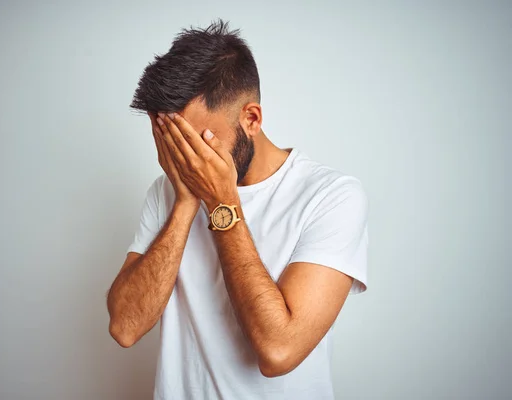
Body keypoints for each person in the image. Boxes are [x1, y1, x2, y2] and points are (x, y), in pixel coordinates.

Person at [106, 19, 369, 400]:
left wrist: (222, 202)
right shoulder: (168, 192)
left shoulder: (332, 196)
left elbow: (278, 351)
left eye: (196, 143)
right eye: (174, 144)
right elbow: (125, 327)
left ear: (251, 119)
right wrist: (185, 202)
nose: (186, 161)